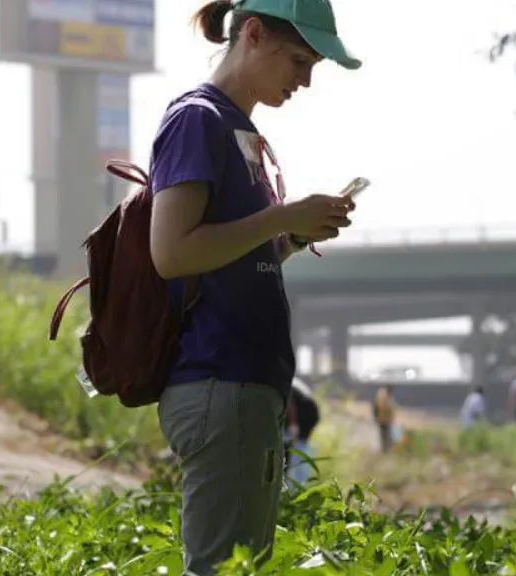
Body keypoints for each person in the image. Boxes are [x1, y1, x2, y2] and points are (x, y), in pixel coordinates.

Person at [149, 1, 361, 573]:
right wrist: (281, 215)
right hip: (221, 380)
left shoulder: (240, 131)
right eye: (299, 59)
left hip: (244, 386)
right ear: (253, 33)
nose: (306, 80)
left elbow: (228, 254)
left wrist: (289, 235)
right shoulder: (198, 118)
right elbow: (171, 253)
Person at [284, 378, 320, 489]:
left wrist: (293, 424)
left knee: (297, 450)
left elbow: (290, 403)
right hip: (309, 409)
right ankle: (296, 484)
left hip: (305, 411)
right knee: (295, 449)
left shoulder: (281, 379)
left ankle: (294, 487)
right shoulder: (289, 377)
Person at [373, 385, 397, 452]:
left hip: (387, 420)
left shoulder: (389, 397)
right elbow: (377, 407)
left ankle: (386, 449)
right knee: (385, 435)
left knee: (387, 435)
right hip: (383, 419)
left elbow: (392, 408)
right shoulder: (382, 397)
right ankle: (385, 449)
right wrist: (376, 417)